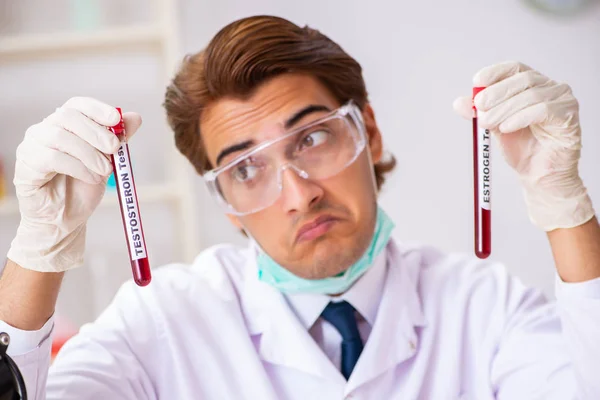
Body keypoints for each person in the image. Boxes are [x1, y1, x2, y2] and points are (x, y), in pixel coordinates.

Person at [0, 15, 598, 400]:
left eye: (312, 138)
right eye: (245, 169)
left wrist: (565, 205)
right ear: (226, 204)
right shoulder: (160, 324)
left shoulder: (484, 309)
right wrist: (38, 250)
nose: (299, 192)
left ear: (369, 131)